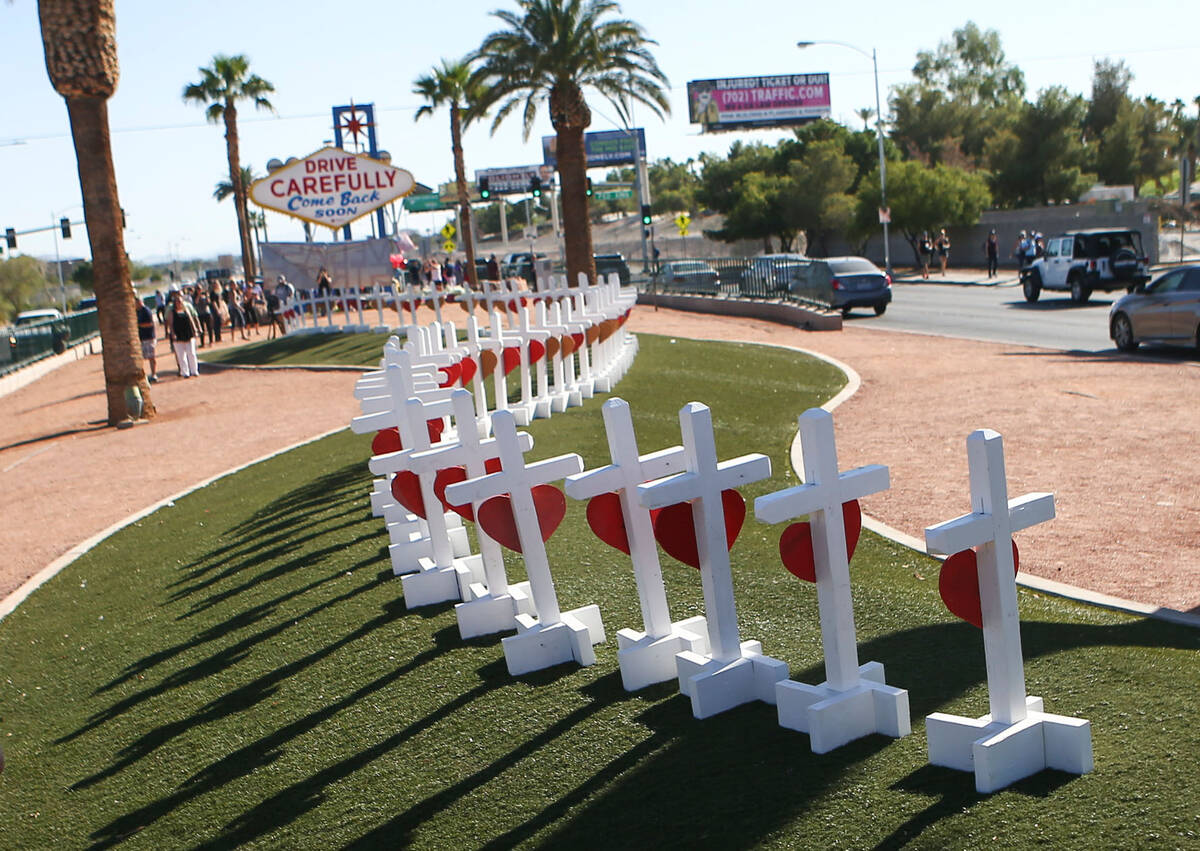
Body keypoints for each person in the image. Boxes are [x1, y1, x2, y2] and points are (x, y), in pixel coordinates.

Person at [165, 289, 201, 378]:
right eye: (177, 302)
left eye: (180, 301)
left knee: (191, 353)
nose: (179, 303)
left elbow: (191, 320)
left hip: (188, 333)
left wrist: (195, 330)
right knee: (181, 355)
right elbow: (171, 324)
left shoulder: (186, 310)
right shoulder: (172, 312)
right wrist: (172, 333)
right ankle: (185, 372)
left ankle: (194, 370)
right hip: (178, 334)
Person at [135, 289, 158, 382]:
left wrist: (138, 325)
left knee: (151, 357)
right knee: (141, 358)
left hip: (149, 337)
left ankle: (154, 374)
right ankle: (143, 376)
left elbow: (150, 323)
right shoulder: (137, 311)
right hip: (141, 338)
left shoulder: (146, 311)